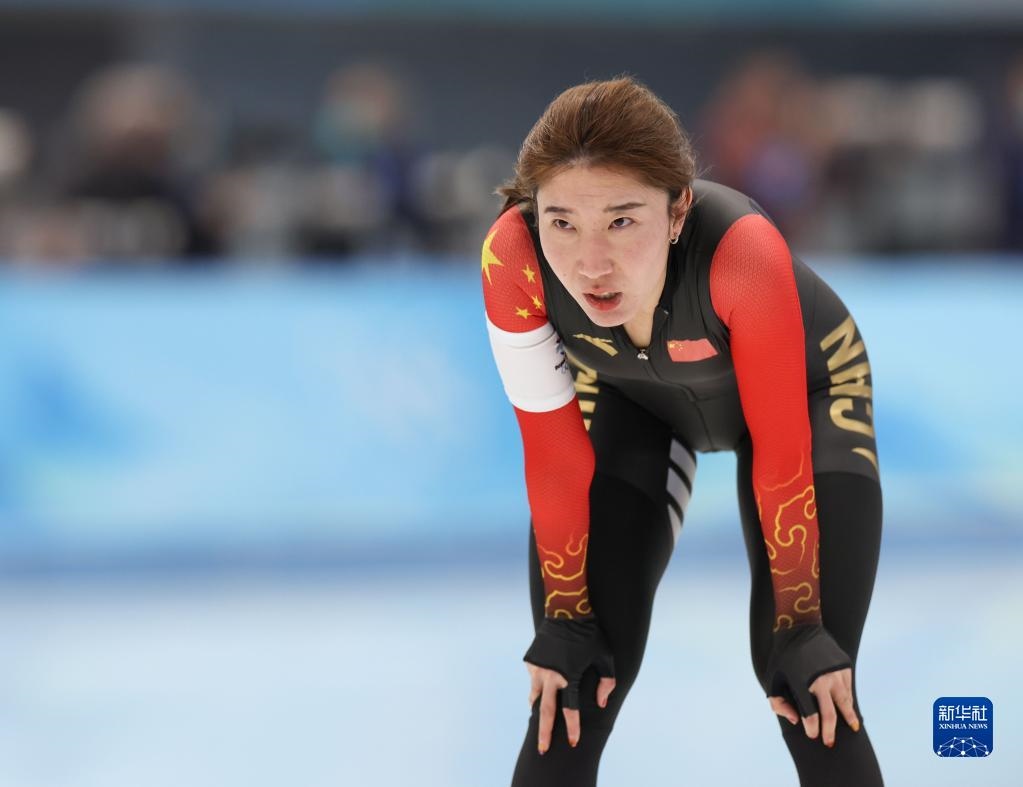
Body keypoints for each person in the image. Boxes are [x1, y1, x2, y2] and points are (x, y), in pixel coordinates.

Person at [481, 76, 883, 787]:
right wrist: (566, 617)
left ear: (677, 212)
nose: (591, 263)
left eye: (622, 221)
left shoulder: (743, 255)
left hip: (809, 398)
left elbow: (782, 455)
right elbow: (552, 453)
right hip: (632, 402)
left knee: (808, 687)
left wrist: (800, 625)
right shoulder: (510, 257)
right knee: (572, 685)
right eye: (562, 223)